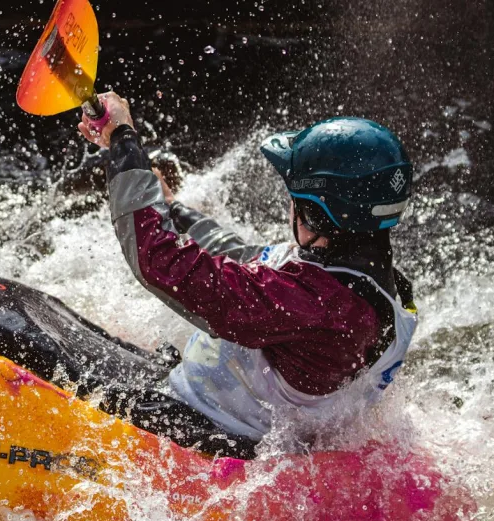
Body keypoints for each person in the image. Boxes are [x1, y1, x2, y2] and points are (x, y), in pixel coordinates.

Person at [79, 93, 418, 459]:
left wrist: (124, 140)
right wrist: (171, 206)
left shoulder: (317, 306)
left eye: (295, 198)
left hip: (203, 432)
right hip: (220, 411)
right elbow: (244, 261)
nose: (290, 205)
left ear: (317, 215)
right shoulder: (369, 281)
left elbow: (159, 261)